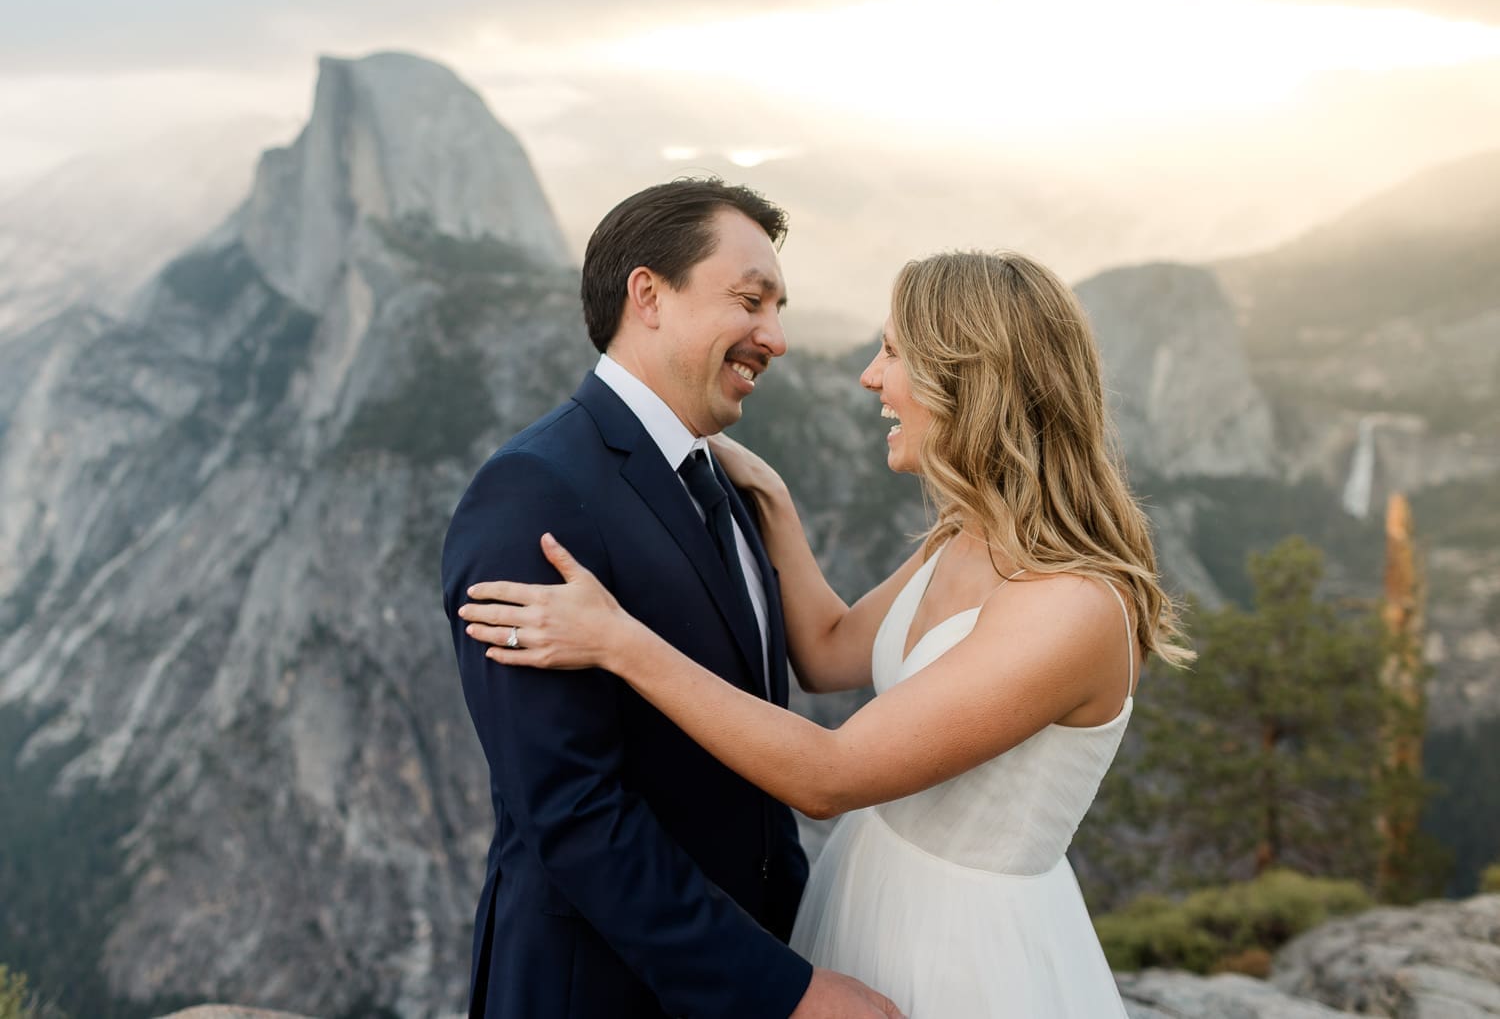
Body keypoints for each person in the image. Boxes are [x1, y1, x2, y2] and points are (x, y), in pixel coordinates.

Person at [460, 250, 1194, 1017]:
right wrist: (772, 501)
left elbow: (830, 776)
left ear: (972, 376)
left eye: (894, 353)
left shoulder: (1072, 606)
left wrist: (619, 640)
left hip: (965, 954)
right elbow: (828, 648)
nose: (870, 377)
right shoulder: (964, 536)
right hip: (866, 903)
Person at [441, 178, 902, 1018]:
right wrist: (783, 992)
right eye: (751, 300)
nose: (778, 337)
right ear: (648, 295)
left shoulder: (726, 481)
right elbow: (574, 812)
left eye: (781, 306)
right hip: (600, 992)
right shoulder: (532, 493)